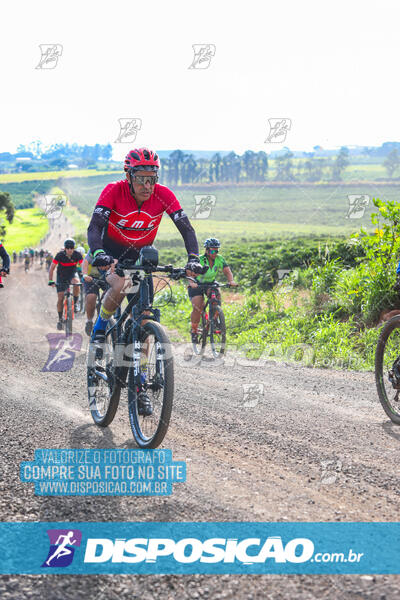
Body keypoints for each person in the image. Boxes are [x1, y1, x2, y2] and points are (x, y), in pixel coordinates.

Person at [87, 147, 203, 415]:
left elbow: (186, 228)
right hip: (112, 255)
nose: (147, 185)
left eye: (153, 178)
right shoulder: (113, 191)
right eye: (141, 178)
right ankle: (101, 328)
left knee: (145, 318)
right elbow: (94, 227)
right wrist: (99, 254)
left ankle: (139, 384)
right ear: (128, 176)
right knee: (118, 285)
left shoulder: (163, 196)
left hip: (141, 260)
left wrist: (193, 258)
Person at [188, 238, 238, 343]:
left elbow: (227, 271)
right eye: (212, 251)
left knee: (217, 296)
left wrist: (231, 281)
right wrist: (191, 282)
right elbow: (189, 271)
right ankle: (194, 331)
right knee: (198, 306)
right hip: (197, 285)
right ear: (206, 250)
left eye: (216, 251)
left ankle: (214, 320)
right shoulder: (199, 259)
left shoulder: (220, 259)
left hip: (210, 283)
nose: (215, 253)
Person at [48, 238, 83, 330]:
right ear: (65, 248)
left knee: (77, 283)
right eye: (67, 248)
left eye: (71, 248)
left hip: (72, 274)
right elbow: (52, 268)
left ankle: (75, 303)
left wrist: (85, 275)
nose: (69, 250)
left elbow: (83, 265)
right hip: (61, 276)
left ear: (74, 248)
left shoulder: (77, 255)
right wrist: (50, 280)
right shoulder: (59, 255)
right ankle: (60, 319)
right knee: (60, 297)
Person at [81, 251, 109, 336]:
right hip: (91, 277)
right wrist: (85, 275)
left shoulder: (111, 247)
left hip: (105, 277)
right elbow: (85, 263)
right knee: (91, 297)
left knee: (109, 296)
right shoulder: (94, 249)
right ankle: (89, 321)